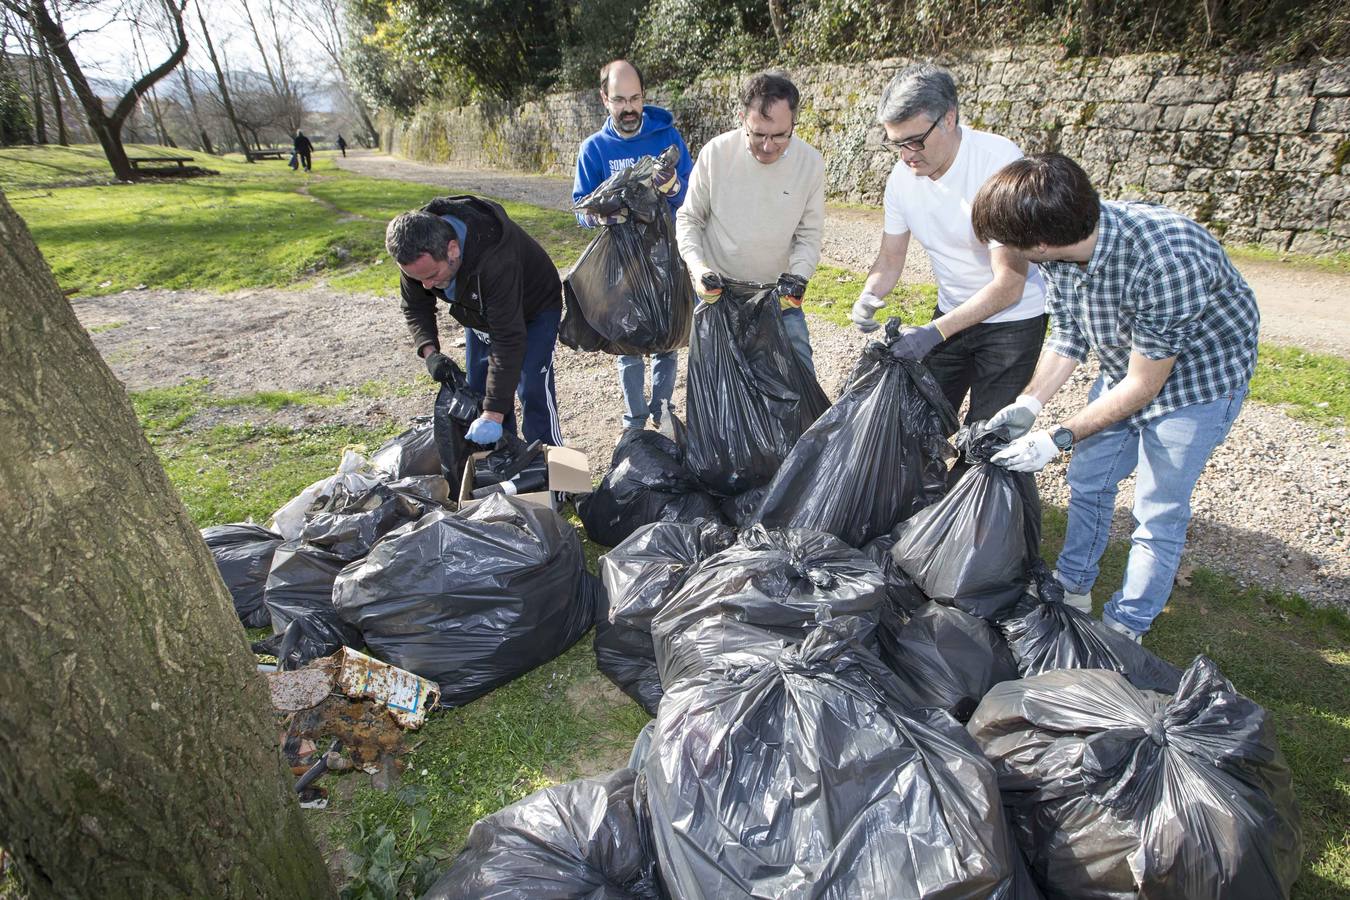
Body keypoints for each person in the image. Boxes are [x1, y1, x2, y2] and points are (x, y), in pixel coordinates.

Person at [970, 152, 1258, 641]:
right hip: (1127, 362)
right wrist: (1031, 403)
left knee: (1157, 511)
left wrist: (1056, 438)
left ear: (1040, 243)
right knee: (1088, 482)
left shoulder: (1168, 259)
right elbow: (1069, 332)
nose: (1004, 251)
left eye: (1011, 244)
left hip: (1199, 382)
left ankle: (1126, 627)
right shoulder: (1060, 248)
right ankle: (1073, 586)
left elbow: (1145, 386)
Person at [851, 63, 1046, 430]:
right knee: (917, 426)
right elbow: (891, 258)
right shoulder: (902, 180)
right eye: (897, 144)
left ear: (949, 118)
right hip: (951, 314)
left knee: (988, 441)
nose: (907, 154)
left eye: (915, 140)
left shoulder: (999, 166)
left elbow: (1009, 284)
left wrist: (934, 332)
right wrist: (869, 294)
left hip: (1011, 324)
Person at [386, 196, 565, 447]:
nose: (425, 285)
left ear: (453, 250)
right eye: (418, 279)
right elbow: (415, 306)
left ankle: (553, 465)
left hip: (533, 309)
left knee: (532, 387)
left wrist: (493, 414)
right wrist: (430, 352)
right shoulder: (416, 249)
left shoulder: (495, 258)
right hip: (478, 311)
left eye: (431, 276)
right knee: (480, 391)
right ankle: (505, 461)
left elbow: (507, 338)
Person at [676, 71, 824, 374]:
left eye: (780, 135)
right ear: (743, 117)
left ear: (794, 123)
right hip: (719, 294)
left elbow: (808, 235)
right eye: (758, 134)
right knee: (717, 386)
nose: (768, 146)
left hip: (777, 296)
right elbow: (689, 218)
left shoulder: (810, 163)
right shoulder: (715, 155)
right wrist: (698, 268)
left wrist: (799, 277)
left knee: (800, 375)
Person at [573, 59, 693, 432]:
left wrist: (670, 185)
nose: (629, 108)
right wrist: (601, 216)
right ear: (604, 99)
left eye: (636, 98)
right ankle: (635, 420)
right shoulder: (593, 149)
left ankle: (663, 411)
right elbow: (580, 208)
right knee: (626, 345)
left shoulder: (667, 137)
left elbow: (690, 195)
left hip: (664, 255)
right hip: (620, 261)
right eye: (620, 99)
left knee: (667, 339)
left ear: (644, 97)